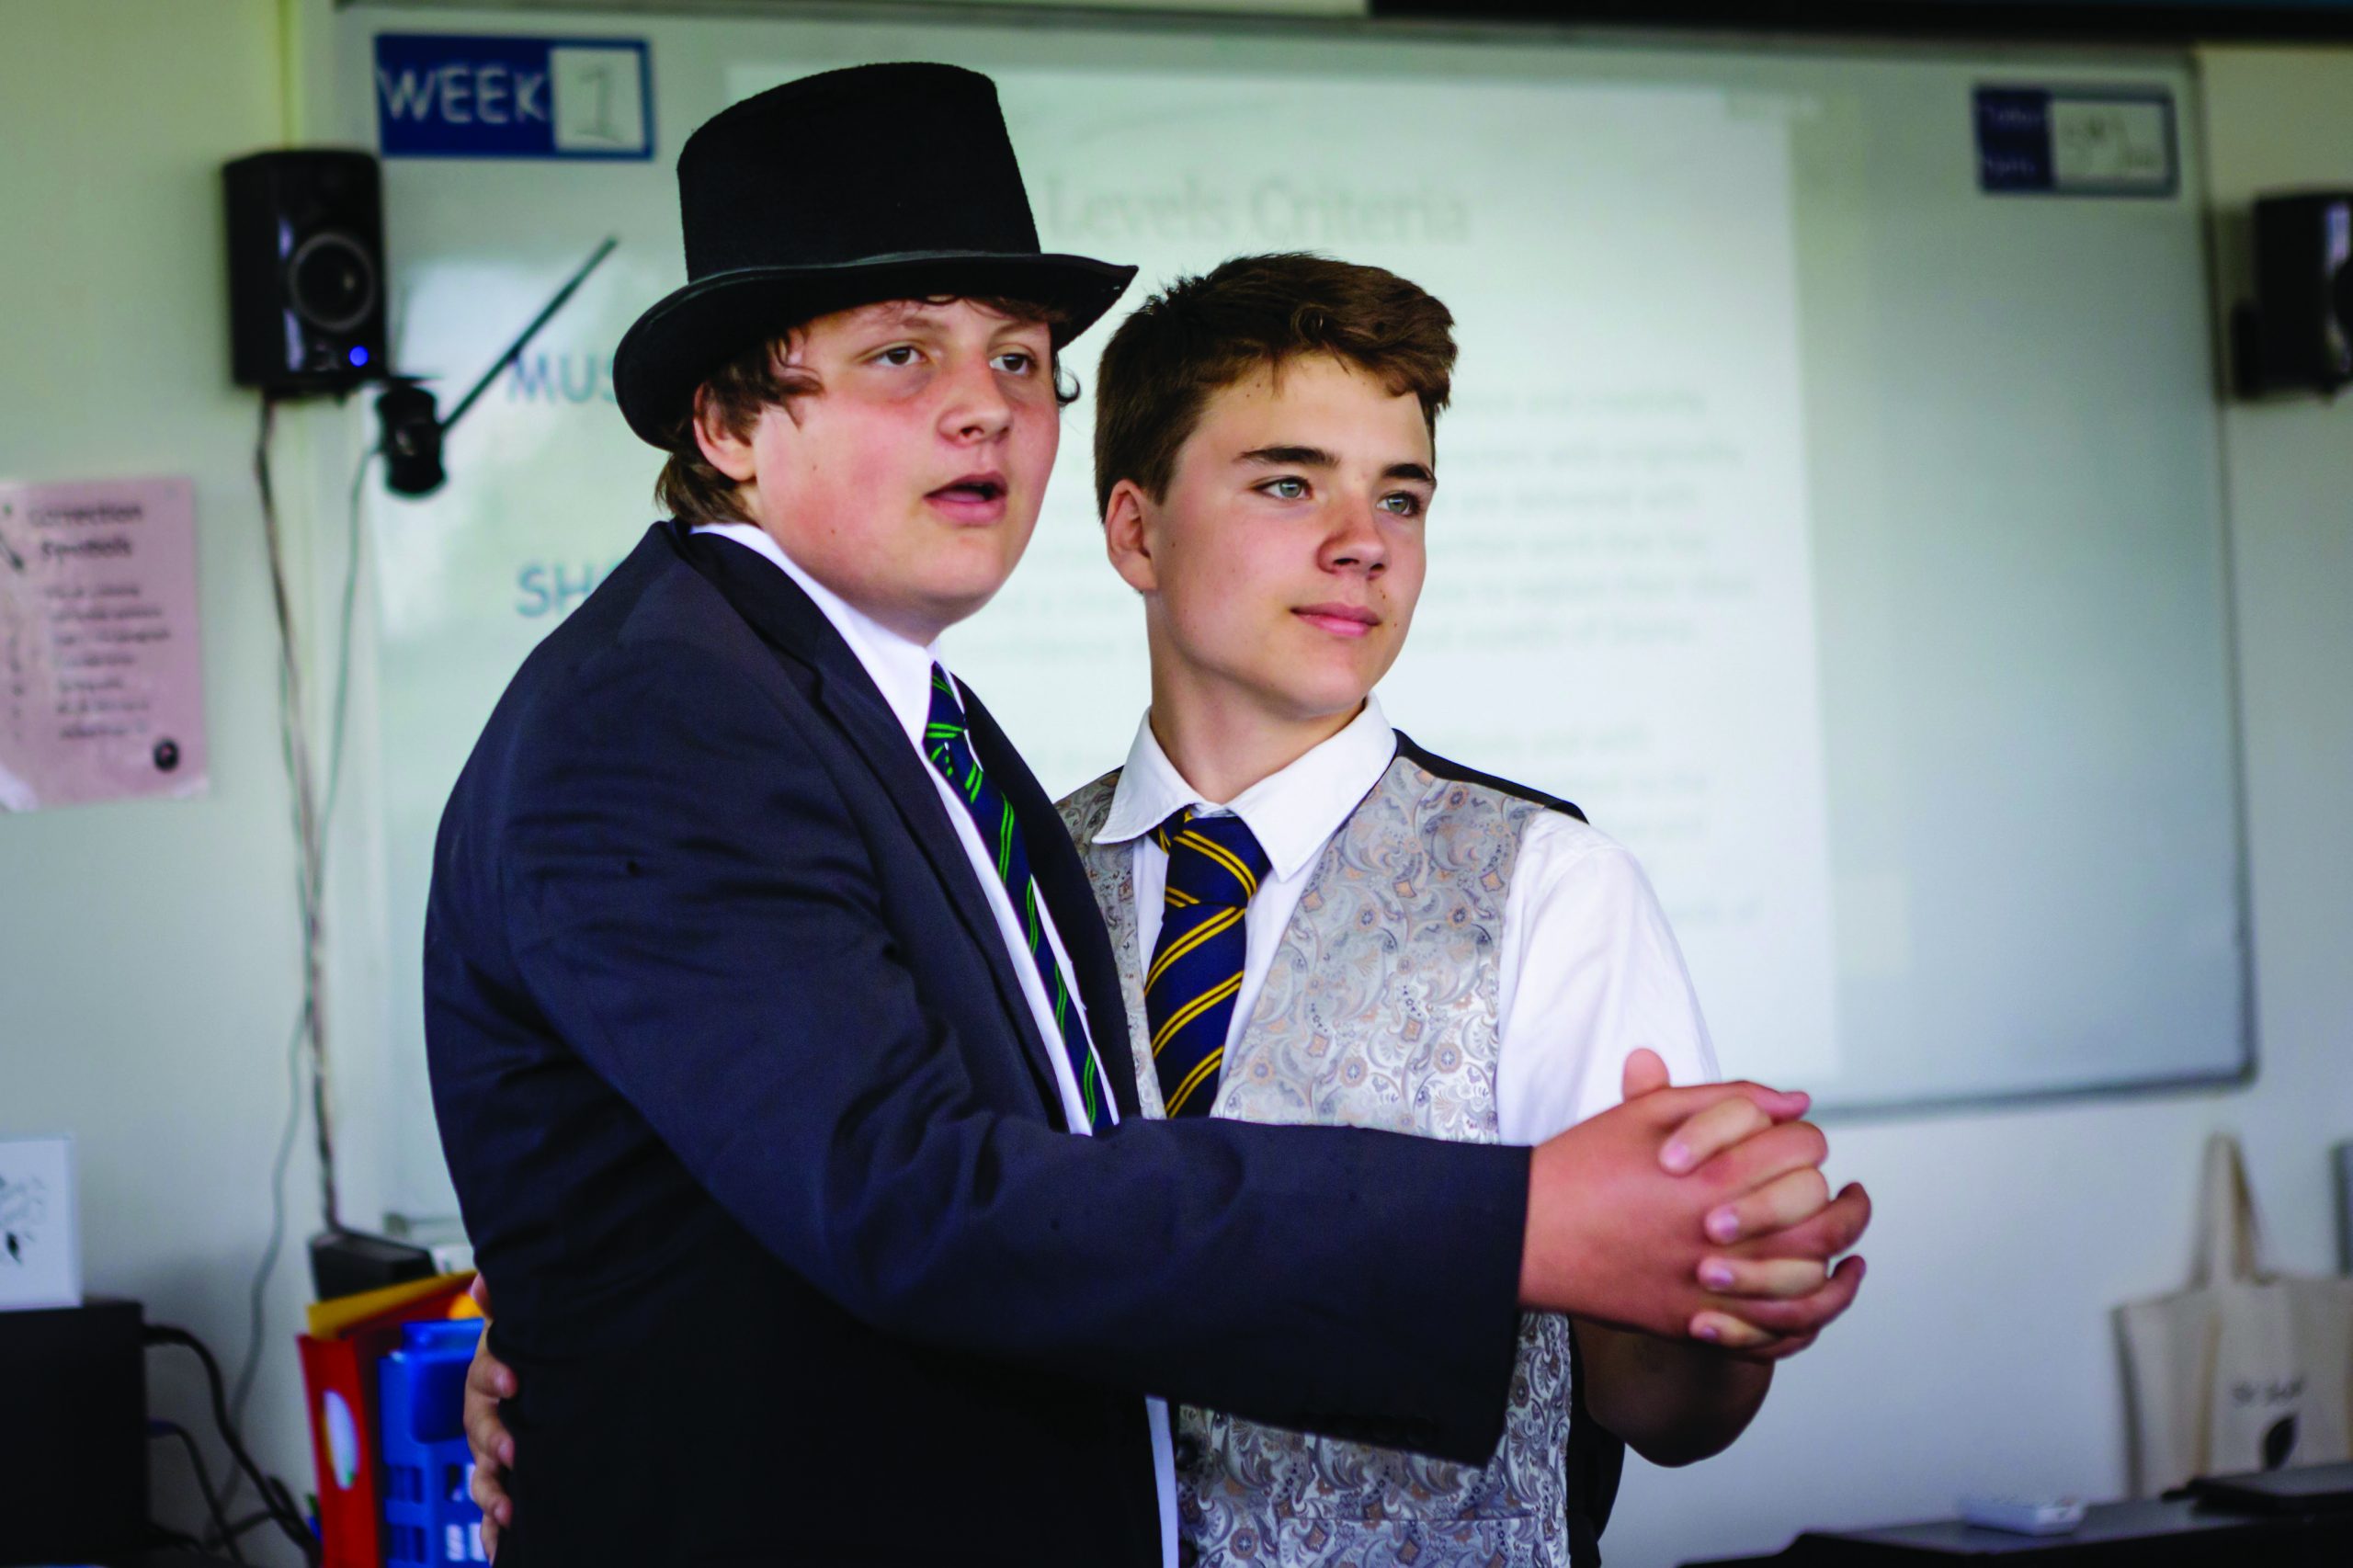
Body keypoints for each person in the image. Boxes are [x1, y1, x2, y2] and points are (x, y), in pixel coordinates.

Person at [431, 65, 1870, 1568]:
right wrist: (589, 1343)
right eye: (906, 355)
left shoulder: (939, 749)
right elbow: (913, 1199)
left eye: (1018, 355)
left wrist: (606, 1329)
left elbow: (791, 1174)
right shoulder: (684, 716)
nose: (983, 404)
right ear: (727, 415)